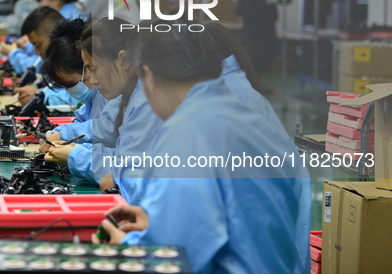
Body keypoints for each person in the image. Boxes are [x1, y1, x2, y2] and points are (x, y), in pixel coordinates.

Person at [92, 19, 311, 273]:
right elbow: (239, 218)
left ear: (148, 75)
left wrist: (127, 248)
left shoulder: (188, 132)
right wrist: (159, 219)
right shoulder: (248, 116)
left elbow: (173, 260)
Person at [44, 18, 162, 196]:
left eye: (94, 68)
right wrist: (76, 150)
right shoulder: (128, 95)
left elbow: (132, 171)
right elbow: (124, 153)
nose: (92, 80)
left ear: (124, 60)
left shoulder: (145, 101)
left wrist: (77, 156)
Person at [39, 18, 119, 150]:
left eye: (72, 84)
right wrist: (61, 133)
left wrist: (70, 147)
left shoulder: (118, 89)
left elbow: (109, 129)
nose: (93, 80)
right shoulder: (99, 92)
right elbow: (86, 119)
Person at [3, 6, 79, 106]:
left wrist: (41, 96)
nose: (36, 52)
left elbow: (78, 98)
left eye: (37, 45)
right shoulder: (59, 59)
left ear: (53, 35)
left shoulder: (77, 56)